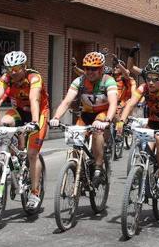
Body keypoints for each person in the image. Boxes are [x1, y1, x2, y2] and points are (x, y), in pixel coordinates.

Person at [0, 51, 49, 210]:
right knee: (4, 123)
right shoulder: (6, 78)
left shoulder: (34, 78)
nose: (12, 72)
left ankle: (35, 192)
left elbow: (34, 99)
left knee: (32, 154)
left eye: (16, 68)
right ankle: (14, 158)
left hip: (38, 113)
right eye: (9, 69)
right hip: (19, 111)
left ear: (24, 67)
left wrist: (35, 122)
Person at [49, 52, 118, 184]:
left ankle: (98, 167)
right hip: (86, 115)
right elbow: (67, 101)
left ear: (102, 69)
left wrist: (108, 120)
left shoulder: (108, 81)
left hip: (103, 114)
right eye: (87, 68)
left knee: (98, 129)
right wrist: (56, 117)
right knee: (75, 138)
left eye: (94, 69)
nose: (90, 72)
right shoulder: (79, 81)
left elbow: (113, 103)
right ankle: (77, 168)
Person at [117, 60, 159, 191]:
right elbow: (130, 104)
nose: (151, 82)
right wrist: (121, 121)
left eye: (155, 79)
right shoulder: (143, 88)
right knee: (144, 145)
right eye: (148, 78)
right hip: (152, 122)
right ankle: (146, 170)